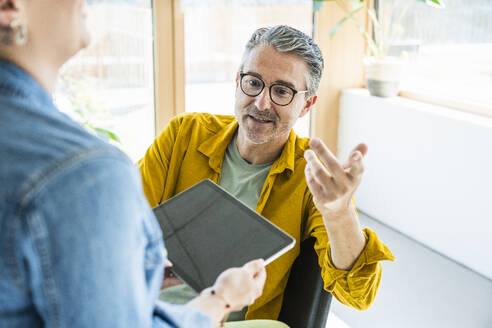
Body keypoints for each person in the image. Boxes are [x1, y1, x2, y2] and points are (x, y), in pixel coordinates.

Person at [0, 1, 273, 327]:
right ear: (8, 7)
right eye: (253, 82)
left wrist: (127, 277)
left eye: (282, 90)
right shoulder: (83, 172)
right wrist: (219, 300)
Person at [139, 25, 395, 321]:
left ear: (306, 104)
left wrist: (339, 214)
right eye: (253, 82)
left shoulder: (314, 178)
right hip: (144, 309)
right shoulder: (184, 135)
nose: (262, 103)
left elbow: (358, 295)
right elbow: (125, 224)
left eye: (282, 91)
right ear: (238, 82)